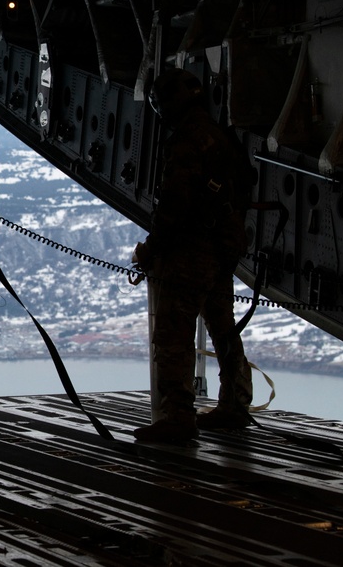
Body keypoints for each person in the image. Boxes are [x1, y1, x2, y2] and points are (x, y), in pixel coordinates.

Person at [132, 68, 254, 443]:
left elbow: (174, 205)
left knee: (173, 330)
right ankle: (235, 403)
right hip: (222, 248)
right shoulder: (221, 137)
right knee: (222, 325)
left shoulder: (187, 141)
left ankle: (177, 417)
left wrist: (151, 250)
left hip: (191, 251)